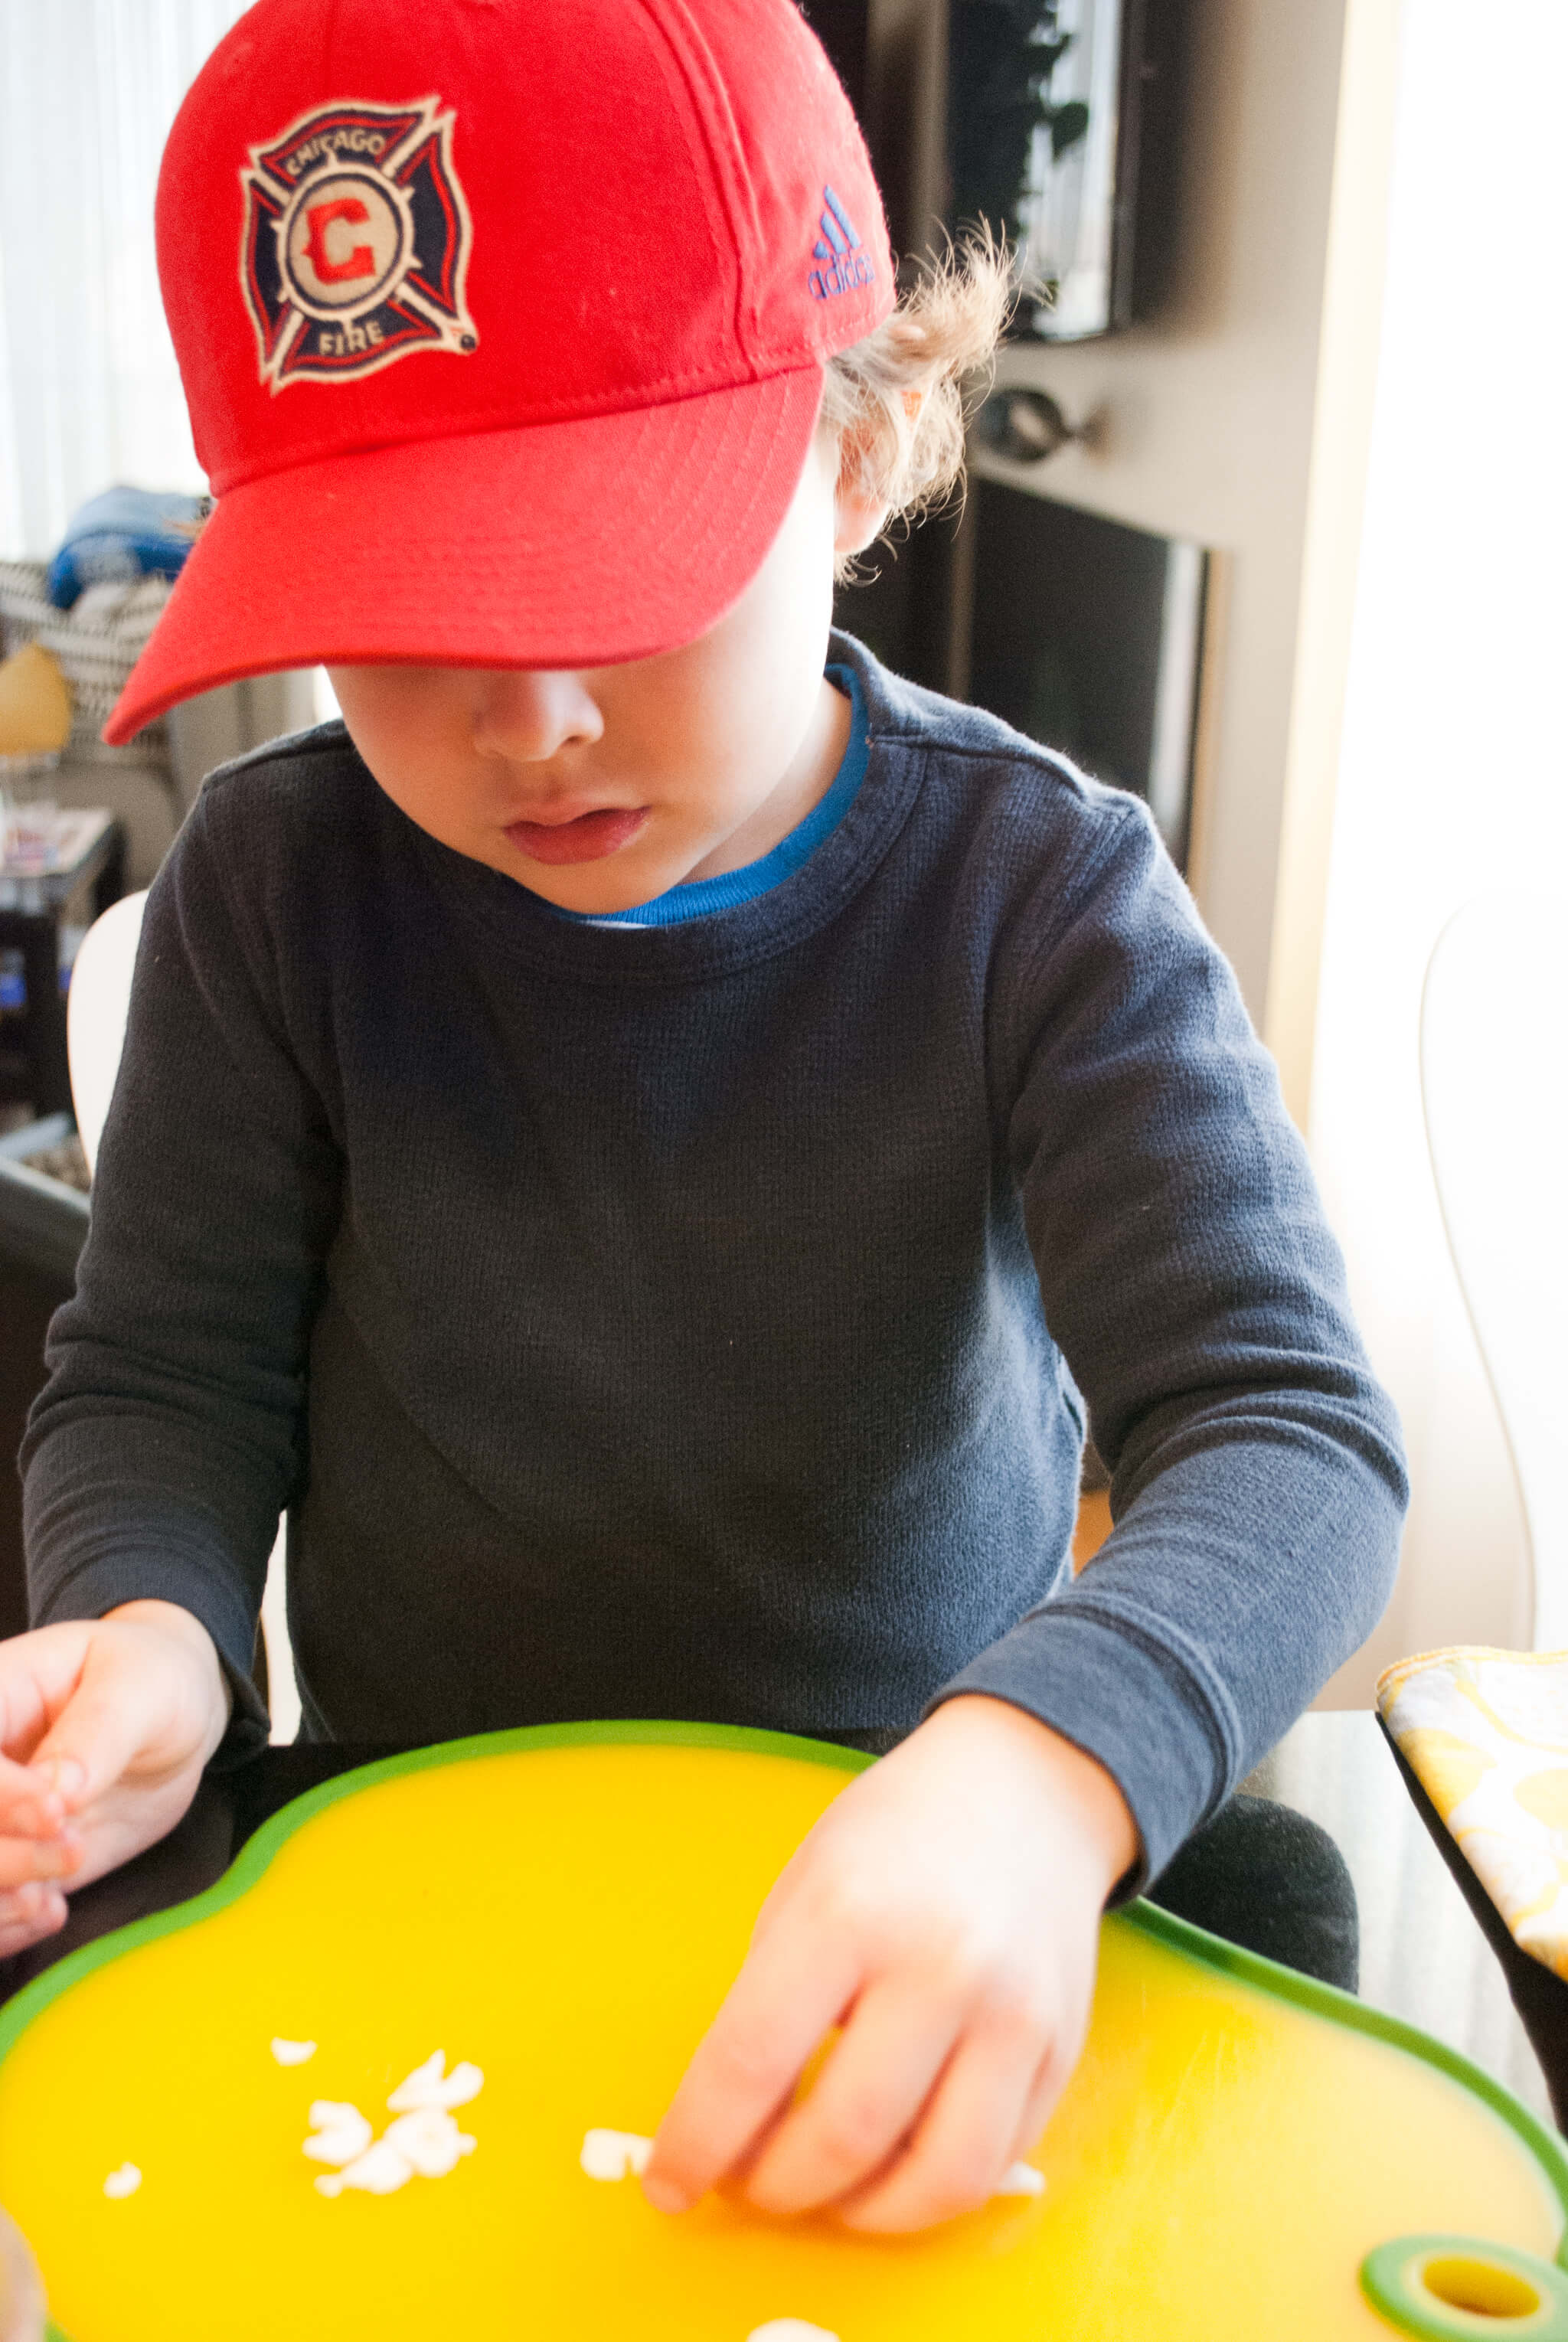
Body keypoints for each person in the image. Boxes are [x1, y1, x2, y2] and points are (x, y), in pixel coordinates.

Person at [0, 0, 1405, 2236]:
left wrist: (1048, 1774)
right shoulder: (276, 892)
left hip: (907, 1862)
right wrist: (154, 1627)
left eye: (608, 570)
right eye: (411, 614)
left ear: (854, 461)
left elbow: (1291, 1426)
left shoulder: (1038, 890)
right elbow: (161, 1381)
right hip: (417, 1836)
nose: (531, 719)